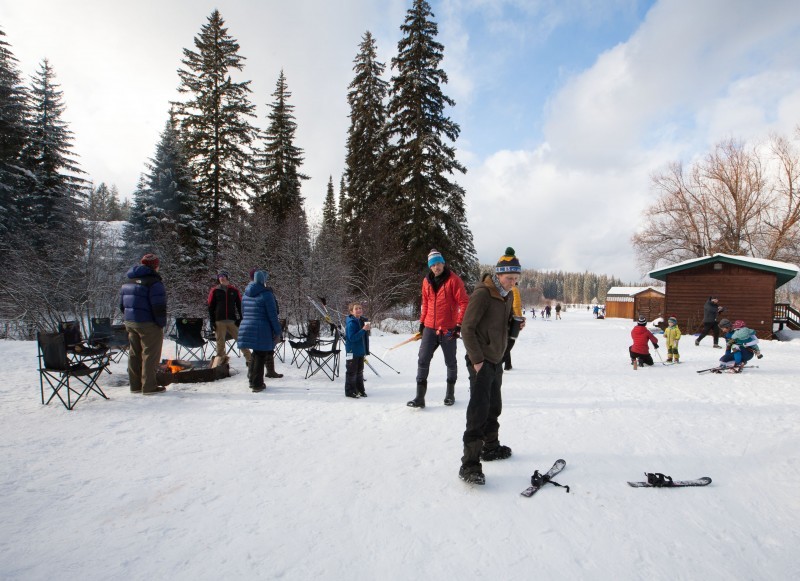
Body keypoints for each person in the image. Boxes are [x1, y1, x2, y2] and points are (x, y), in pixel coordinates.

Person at [458, 248, 525, 486]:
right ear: (499, 274)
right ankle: (470, 464)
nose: (513, 282)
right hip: (481, 361)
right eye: (510, 278)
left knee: (494, 406)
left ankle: (491, 447)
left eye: (516, 279)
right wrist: (477, 361)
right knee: (478, 412)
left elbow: (500, 324)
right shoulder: (483, 294)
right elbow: (467, 328)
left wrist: (514, 326)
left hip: (496, 360)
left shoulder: (506, 295)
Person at [407, 249, 470, 409]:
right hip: (429, 327)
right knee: (422, 360)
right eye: (433, 264)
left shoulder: (453, 280)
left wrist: (458, 325)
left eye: (438, 263)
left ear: (443, 263)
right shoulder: (426, 281)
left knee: (450, 361)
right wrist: (422, 323)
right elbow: (426, 304)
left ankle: (450, 394)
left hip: (448, 328)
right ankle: (420, 397)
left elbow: (464, 302)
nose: (436, 267)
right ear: (430, 266)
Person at [119, 253, 167, 395]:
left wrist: (130, 317)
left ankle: (135, 385)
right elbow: (158, 306)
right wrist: (160, 324)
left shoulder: (129, 281)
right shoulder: (154, 282)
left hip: (130, 322)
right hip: (148, 323)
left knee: (134, 353)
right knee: (150, 354)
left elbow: (122, 305)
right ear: (155, 266)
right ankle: (149, 386)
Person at [237, 270, 282, 392]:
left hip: (247, 325)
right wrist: (278, 331)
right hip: (261, 328)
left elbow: (243, 312)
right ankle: (257, 384)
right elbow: (272, 315)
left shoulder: (246, 293)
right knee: (260, 354)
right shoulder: (266, 294)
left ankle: (252, 379)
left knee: (256, 354)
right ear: (263, 280)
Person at [207, 270, 251, 366]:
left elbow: (240, 305)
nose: (221, 278)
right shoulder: (215, 290)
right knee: (220, 343)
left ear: (227, 277)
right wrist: (212, 321)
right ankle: (220, 363)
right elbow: (210, 307)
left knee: (240, 339)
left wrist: (241, 318)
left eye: (223, 276)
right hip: (219, 320)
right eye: (219, 276)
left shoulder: (234, 290)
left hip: (232, 320)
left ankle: (250, 359)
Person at [344, 302, 370, 398]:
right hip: (352, 351)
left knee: (359, 372)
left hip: (360, 351)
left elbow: (363, 337)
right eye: (356, 309)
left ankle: (360, 390)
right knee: (352, 372)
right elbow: (352, 338)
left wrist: (366, 329)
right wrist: (363, 330)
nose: (359, 310)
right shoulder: (351, 323)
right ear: (351, 311)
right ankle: (350, 391)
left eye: (360, 308)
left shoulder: (361, 320)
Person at [502, 274, 523, 371]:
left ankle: (508, 364)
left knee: (506, 342)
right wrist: (519, 318)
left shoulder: (506, 290)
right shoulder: (514, 290)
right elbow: (516, 305)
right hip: (512, 319)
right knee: (510, 342)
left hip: (506, 318)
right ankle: (500, 363)